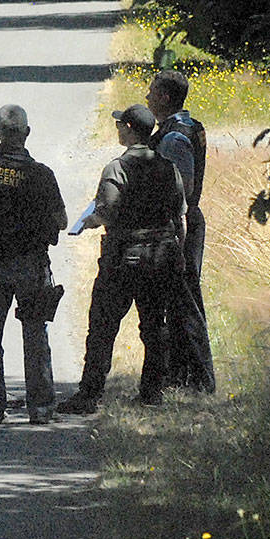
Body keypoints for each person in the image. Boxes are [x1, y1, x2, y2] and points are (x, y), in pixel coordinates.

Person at [58, 104, 186, 413]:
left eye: (120, 125)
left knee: (102, 325)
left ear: (129, 128)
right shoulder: (168, 166)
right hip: (159, 256)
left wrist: (91, 220)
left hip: (123, 257)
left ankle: (90, 395)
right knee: (154, 325)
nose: (117, 130)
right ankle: (152, 392)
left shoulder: (117, 167)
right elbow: (179, 214)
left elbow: (108, 209)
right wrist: (178, 253)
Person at [0, 105, 67, 424]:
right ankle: (41, 408)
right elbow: (61, 220)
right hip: (30, 266)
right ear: (26, 133)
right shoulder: (41, 174)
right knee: (35, 335)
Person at [146, 69, 215, 394]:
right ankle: (181, 376)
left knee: (185, 301)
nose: (147, 97)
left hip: (180, 227)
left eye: (151, 91)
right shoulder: (187, 127)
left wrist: (176, 237)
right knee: (177, 302)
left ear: (164, 97)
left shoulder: (174, 136)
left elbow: (183, 194)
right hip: (180, 225)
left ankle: (201, 379)